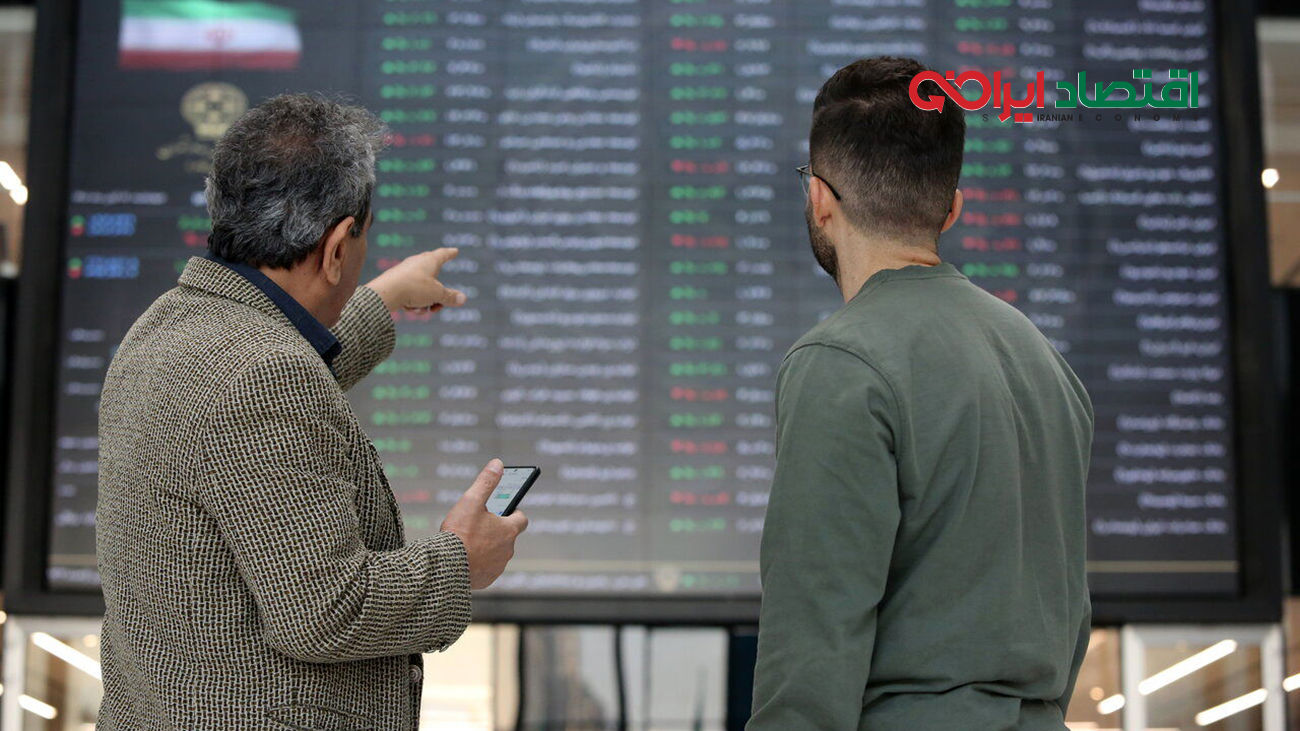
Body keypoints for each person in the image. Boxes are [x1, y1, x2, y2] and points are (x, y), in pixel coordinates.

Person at [95, 94, 527, 730]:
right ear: (336, 247)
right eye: (359, 242)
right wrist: (460, 562)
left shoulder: (166, 328)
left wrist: (380, 296)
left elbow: (265, 382)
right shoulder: (264, 375)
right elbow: (327, 611)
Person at [747, 57, 1094, 730]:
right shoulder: (1043, 361)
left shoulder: (841, 359)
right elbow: (1070, 609)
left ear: (819, 198)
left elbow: (814, 635)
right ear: (952, 207)